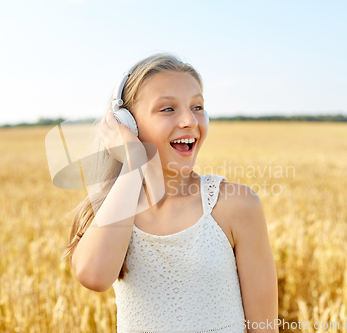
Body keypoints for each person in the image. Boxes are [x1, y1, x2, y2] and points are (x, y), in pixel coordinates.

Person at [61, 52, 279, 333]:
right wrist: (133, 162)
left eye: (198, 107)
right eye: (167, 109)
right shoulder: (115, 209)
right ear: (127, 124)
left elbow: (264, 328)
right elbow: (94, 276)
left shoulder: (235, 205)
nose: (190, 120)